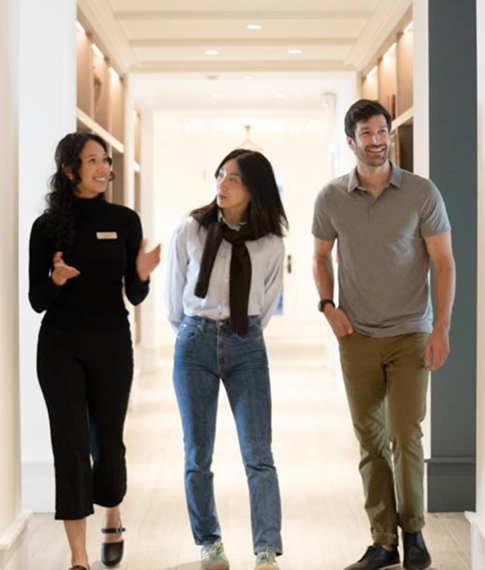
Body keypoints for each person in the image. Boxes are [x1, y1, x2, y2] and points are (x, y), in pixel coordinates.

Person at [311, 100, 456, 570]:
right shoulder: (331, 197)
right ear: (351, 142)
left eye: (383, 132)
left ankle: (413, 533)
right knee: (369, 440)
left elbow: (444, 262)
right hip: (357, 336)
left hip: (412, 332)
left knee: (405, 433)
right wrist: (328, 307)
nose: (377, 141)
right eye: (367, 134)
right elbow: (318, 257)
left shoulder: (421, 192)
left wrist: (441, 327)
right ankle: (382, 541)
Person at [28, 132, 161, 570]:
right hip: (60, 346)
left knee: (107, 441)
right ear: (70, 170)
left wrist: (140, 275)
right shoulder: (47, 227)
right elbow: (36, 299)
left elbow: (136, 297)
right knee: (69, 447)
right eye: (93, 161)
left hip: (110, 343)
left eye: (106, 160)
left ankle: (113, 512)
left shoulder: (125, 220)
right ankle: (79, 558)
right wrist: (58, 280)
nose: (105, 168)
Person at [165, 149, 288, 570]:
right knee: (197, 453)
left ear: (254, 187)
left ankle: (266, 548)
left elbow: (268, 301)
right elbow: (175, 292)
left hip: (246, 343)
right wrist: (193, 331)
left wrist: (243, 332)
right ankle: (209, 542)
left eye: (233, 178)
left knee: (258, 452)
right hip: (195, 340)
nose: (222, 183)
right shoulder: (192, 229)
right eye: (219, 175)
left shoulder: (270, 242)